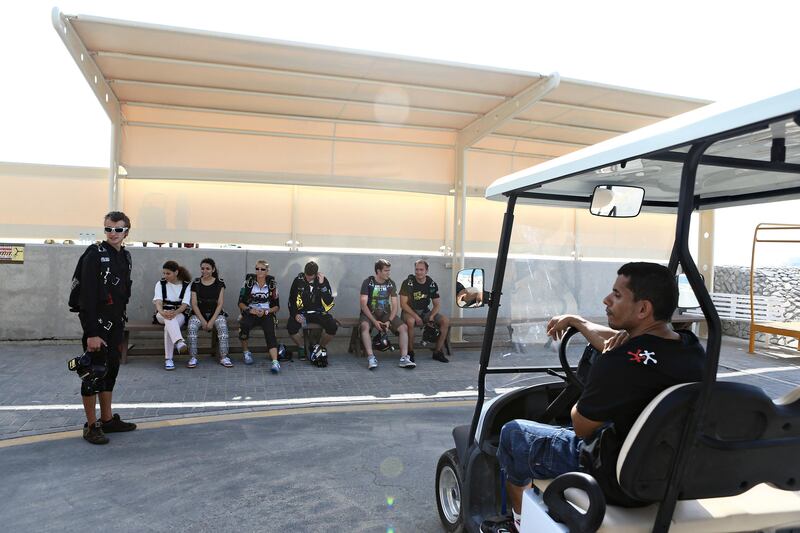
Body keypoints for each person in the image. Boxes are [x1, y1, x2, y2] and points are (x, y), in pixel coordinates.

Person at [481, 262, 706, 533]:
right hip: (667, 468)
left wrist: (598, 370)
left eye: (617, 295)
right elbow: (629, 346)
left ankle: (519, 522)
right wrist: (577, 321)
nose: (606, 300)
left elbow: (582, 426)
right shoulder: (690, 349)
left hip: (614, 475)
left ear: (643, 308)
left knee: (514, 434)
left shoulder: (617, 362)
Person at [77, 211, 137, 445]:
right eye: (108, 229)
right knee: (92, 374)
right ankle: (91, 426)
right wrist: (91, 332)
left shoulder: (126, 256)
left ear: (126, 232)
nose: (113, 233)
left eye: (118, 229)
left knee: (110, 371)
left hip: (116, 324)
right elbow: (86, 297)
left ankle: (108, 419)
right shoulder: (94, 254)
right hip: (96, 326)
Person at [359, 259, 413, 370]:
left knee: (403, 327)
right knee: (364, 327)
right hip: (370, 313)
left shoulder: (390, 283)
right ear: (378, 271)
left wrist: (389, 321)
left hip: (385, 313)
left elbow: (395, 306)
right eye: (386, 270)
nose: (388, 273)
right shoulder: (368, 282)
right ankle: (371, 357)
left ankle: (404, 358)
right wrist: (374, 322)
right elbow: (363, 305)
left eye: (389, 270)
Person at [287, 261, 337, 366]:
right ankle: (301, 346)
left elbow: (328, 301)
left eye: (311, 276)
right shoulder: (298, 280)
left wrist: (322, 284)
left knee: (332, 326)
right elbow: (291, 300)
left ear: (316, 274)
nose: (309, 278)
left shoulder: (322, 281)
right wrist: (295, 314)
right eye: (307, 275)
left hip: (318, 312)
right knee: (291, 326)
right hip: (303, 313)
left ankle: (320, 348)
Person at [400, 259, 450, 363]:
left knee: (445, 321)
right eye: (417, 269)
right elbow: (403, 304)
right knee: (411, 321)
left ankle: (437, 352)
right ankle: (410, 352)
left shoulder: (431, 284)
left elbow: (437, 305)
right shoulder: (408, 283)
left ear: (426, 271)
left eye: (421, 270)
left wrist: (431, 317)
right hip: (409, 311)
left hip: (425, 312)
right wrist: (416, 316)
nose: (418, 272)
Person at [187, 258, 232, 368]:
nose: (204, 271)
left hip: (215, 314)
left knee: (222, 327)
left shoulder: (219, 283)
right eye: (202, 268)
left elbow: (220, 303)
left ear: (213, 269)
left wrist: (211, 321)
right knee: (192, 327)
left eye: (207, 268)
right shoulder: (196, 283)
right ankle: (193, 357)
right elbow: (194, 304)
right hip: (199, 314)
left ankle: (224, 357)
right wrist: (202, 320)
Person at [238, 260, 281, 373]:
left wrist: (267, 311)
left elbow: (277, 306)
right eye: (257, 269)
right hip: (251, 312)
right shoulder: (248, 283)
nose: (259, 271)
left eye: (262, 269)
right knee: (244, 325)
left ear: (267, 271)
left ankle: (275, 362)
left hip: (266, 313)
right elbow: (240, 303)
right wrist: (250, 310)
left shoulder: (272, 285)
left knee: (270, 331)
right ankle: (246, 352)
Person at [153, 260, 192, 371]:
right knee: (168, 319)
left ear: (176, 272)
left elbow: (185, 304)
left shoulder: (186, 285)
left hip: (179, 313)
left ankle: (168, 359)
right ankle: (179, 342)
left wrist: (174, 312)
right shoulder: (160, 284)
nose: (165, 276)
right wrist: (162, 312)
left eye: (168, 273)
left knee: (169, 325)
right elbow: (158, 302)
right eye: (164, 273)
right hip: (162, 314)